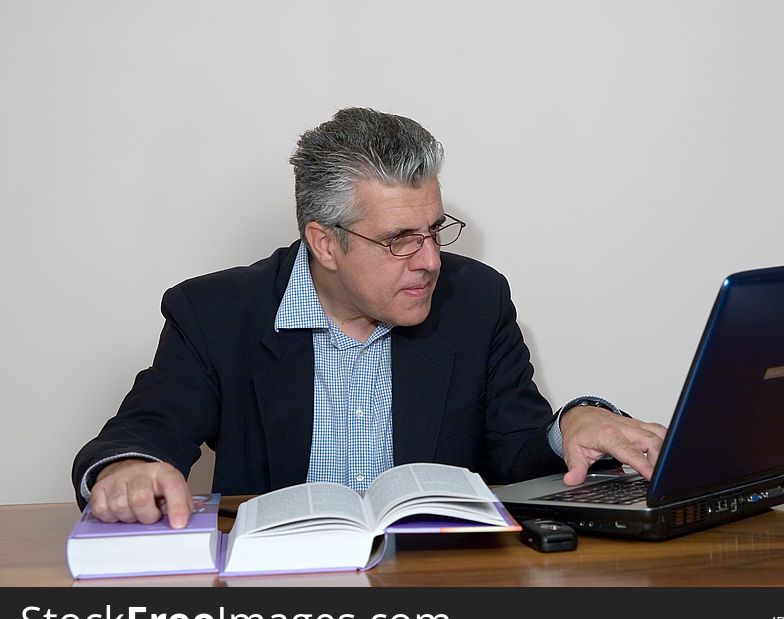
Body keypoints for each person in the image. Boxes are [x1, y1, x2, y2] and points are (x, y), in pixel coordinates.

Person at [72, 107, 666, 528]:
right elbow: (148, 428)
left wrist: (574, 424)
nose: (430, 262)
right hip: (281, 596)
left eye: (434, 230)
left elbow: (516, 445)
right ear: (324, 244)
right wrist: (127, 468)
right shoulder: (215, 313)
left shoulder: (476, 300)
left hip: (439, 591)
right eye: (399, 239)